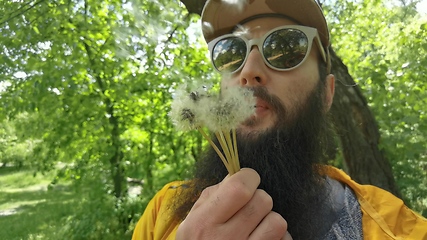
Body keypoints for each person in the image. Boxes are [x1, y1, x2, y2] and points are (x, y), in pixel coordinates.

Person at [132, 0, 427, 239]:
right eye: (232, 53)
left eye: (286, 49)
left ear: (326, 93)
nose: (248, 69)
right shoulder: (162, 212)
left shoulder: (399, 227)